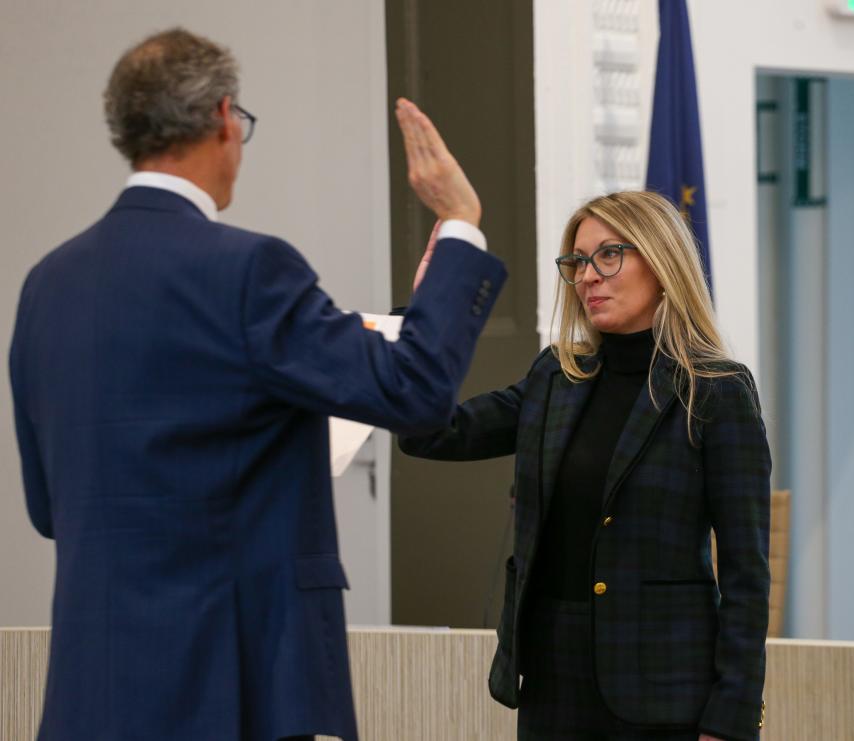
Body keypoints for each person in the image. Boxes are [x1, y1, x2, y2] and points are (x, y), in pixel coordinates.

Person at [9, 27, 505, 741]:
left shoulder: (46, 285)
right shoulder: (249, 272)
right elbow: (415, 388)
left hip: (92, 692)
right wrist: (459, 225)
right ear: (221, 117)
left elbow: (48, 509)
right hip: (228, 682)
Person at [400, 191, 771, 741]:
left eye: (609, 255)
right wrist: (429, 315)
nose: (588, 275)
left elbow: (746, 572)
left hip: (664, 694)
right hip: (552, 681)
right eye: (577, 261)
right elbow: (429, 432)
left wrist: (732, 716)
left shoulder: (715, 390)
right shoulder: (557, 376)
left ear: (661, 259)